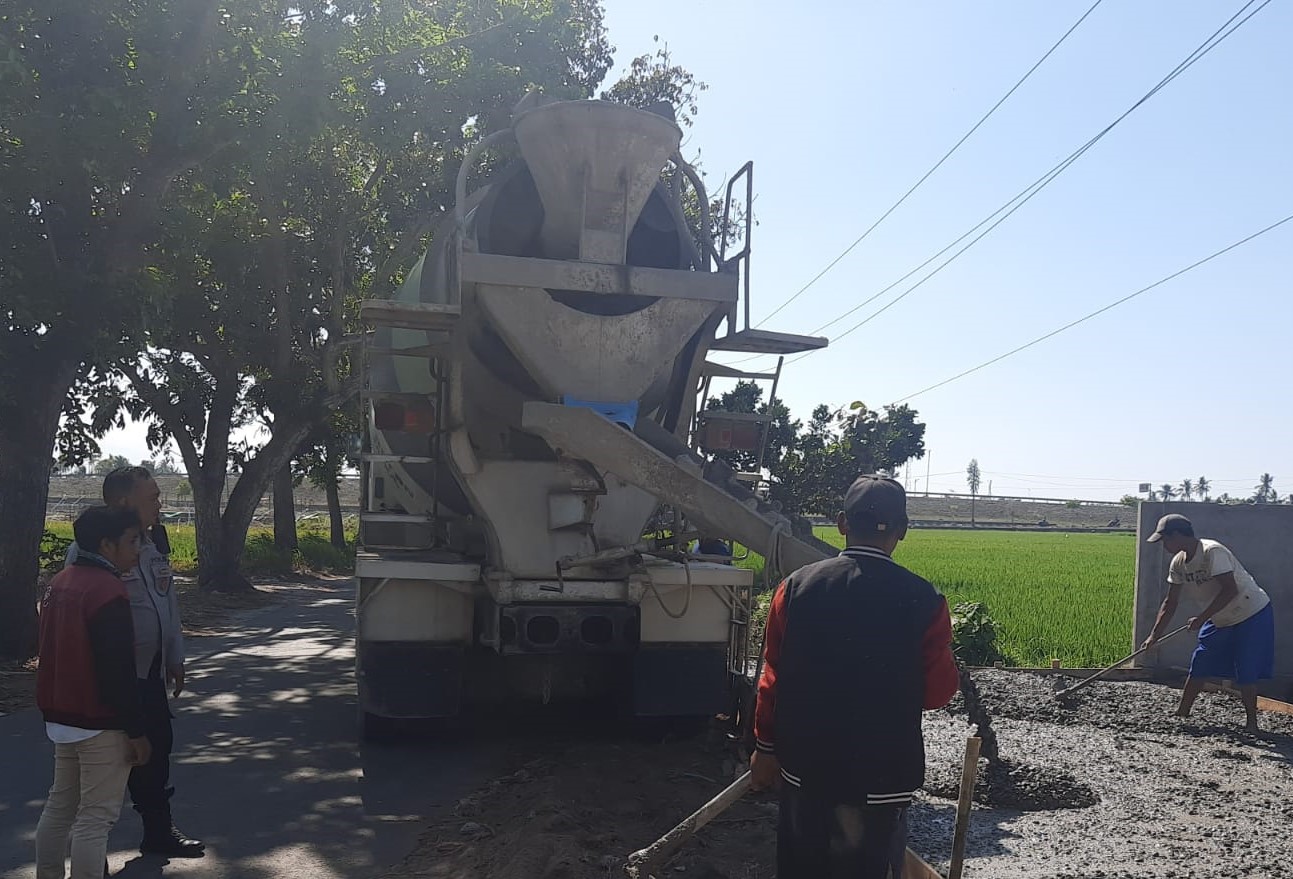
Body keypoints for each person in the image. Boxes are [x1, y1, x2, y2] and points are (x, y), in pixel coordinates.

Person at [750, 474, 960, 879]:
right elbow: (937, 693)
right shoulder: (924, 600)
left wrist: (765, 749)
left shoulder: (794, 589)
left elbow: (771, 679)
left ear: (843, 523)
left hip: (805, 770)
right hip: (882, 778)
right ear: (903, 531)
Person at [66, 467, 204, 857]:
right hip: (113, 675)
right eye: (153, 497)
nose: (160, 504)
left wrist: (175, 654)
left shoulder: (153, 540)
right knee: (109, 761)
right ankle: (91, 850)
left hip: (151, 669)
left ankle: (158, 832)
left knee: (157, 749)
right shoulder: (92, 547)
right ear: (124, 502)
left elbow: (167, 599)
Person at [36, 506, 153, 879]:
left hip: (61, 716)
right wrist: (135, 730)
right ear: (106, 544)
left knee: (59, 807)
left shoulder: (60, 582)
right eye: (132, 541)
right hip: (99, 719)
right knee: (95, 818)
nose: (138, 549)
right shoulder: (107, 590)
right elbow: (116, 669)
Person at [1140, 513, 1275, 733]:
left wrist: (1202, 618)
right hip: (1220, 616)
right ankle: (1182, 712)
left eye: (1165, 540)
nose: (1164, 545)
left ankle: (1252, 723)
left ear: (1177, 535)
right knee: (1201, 660)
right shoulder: (1179, 562)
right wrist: (1154, 635)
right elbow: (1170, 602)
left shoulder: (1212, 552)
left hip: (1250, 612)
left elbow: (1230, 589)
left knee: (1246, 666)